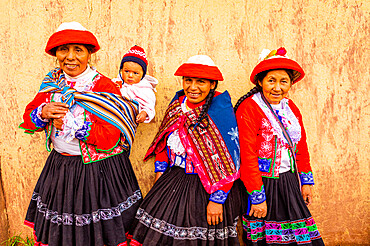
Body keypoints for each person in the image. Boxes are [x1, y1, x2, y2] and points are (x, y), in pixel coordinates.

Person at [19, 22, 142, 246]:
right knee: (64, 233)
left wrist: (73, 125)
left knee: (99, 234)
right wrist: (43, 112)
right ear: (56, 54)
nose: (70, 57)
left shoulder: (104, 87)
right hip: (61, 169)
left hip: (99, 173)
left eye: (78, 50)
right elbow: (28, 121)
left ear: (89, 54)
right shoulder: (52, 83)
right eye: (63, 50)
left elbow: (110, 138)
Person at [128, 55, 243, 245]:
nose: (193, 87)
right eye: (188, 80)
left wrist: (217, 200)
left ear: (212, 84)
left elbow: (229, 159)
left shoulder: (220, 112)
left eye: (201, 82)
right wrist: (159, 178)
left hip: (210, 189)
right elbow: (164, 142)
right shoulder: (177, 106)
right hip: (174, 181)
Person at [234, 47, 324, 245]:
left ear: (291, 83)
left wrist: (306, 180)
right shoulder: (249, 108)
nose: (277, 88)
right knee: (265, 238)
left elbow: (301, 146)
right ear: (260, 82)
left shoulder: (290, 108)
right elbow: (246, 154)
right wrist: (257, 195)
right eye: (271, 80)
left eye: (283, 81)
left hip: (289, 182)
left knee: (299, 236)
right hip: (261, 184)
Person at [112, 45, 158, 123]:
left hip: (128, 122)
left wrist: (144, 113)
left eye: (135, 73)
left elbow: (149, 106)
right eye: (126, 71)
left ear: (142, 75)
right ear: (121, 70)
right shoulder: (116, 83)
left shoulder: (145, 89)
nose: (130, 76)